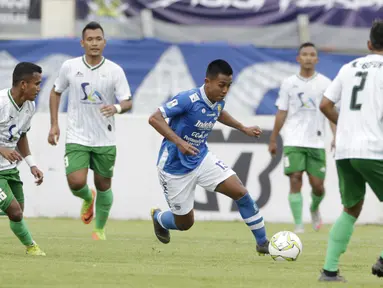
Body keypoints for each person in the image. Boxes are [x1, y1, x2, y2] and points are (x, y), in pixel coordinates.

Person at [148, 59, 269, 254]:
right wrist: (179, 142)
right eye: (222, 85)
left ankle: (263, 243)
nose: (225, 90)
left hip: (201, 159)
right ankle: (159, 218)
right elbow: (154, 118)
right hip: (174, 166)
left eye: (229, 86)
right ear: (207, 81)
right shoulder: (188, 99)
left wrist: (243, 128)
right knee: (185, 223)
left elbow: (219, 113)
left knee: (240, 192)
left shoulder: (218, 101)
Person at [47, 21, 132, 240]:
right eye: (90, 39)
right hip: (77, 135)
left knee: (104, 184)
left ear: (105, 42)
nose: (94, 43)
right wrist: (55, 123)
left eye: (98, 39)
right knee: (76, 181)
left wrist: (115, 107)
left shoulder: (115, 70)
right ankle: (87, 197)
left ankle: (99, 230)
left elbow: (127, 101)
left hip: (105, 138)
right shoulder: (70, 67)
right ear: (82, 43)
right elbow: (56, 92)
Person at [318, 19, 383, 282]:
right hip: (374, 148)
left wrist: (344, 123)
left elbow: (325, 104)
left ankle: (329, 271)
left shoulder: (348, 68)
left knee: (351, 208)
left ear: (369, 44)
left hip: (345, 149)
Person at [269, 42, 335, 234]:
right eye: (304, 54)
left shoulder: (325, 83)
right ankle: (298, 225)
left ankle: (314, 208)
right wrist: (273, 139)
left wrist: (336, 136)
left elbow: (331, 112)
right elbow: (282, 112)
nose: (308, 57)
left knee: (318, 186)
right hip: (293, 140)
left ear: (317, 59)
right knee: (295, 179)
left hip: (316, 141)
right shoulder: (289, 83)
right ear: (298, 58)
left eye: (311, 54)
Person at [0, 62, 45, 255]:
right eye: (36, 83)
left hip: (9, 168)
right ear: (24, 84)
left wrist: (32, 165)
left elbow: (22, 135)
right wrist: (2, 149)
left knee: (18, 212)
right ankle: (31, 247)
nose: (39, 88)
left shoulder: (29, 106)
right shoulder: (1, 102)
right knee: (15, 211)